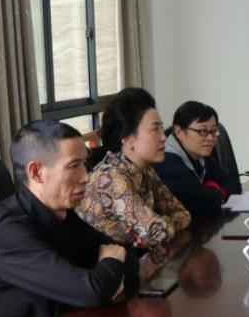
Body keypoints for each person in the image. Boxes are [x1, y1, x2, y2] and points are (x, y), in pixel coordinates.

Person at [0, 120, 138, 317]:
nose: (86, 177)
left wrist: (110, 274)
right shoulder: (8, 232)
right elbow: (91, 291)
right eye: (74, 166)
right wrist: (110, 267)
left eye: (85, 164)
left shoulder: (60, 213)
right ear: (36, 173)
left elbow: (126, 255)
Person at [77, 87, 191, 249]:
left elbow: (183, 214)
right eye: (155, 129)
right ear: (129, 140)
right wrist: (157, 224)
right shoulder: (110, 178)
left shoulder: (146, 170)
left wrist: (160, 223)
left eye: (161, 128)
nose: (164, 137)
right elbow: (157, 232)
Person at [155, 100, 242, 213]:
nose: (210, 138)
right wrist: (215, 190)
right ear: (179, 132)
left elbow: (234, 183)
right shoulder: (166, 161)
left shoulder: (200, 153)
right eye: (203, 131)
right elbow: (202, 201)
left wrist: (216, 192)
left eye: (214, 131)